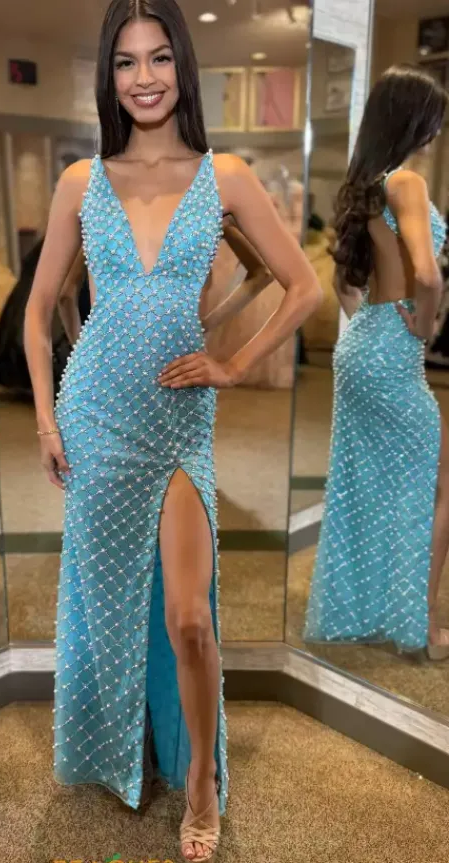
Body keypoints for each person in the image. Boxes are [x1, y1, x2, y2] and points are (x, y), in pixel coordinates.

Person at [24, 2, 321, 859]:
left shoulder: (225, 175)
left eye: (159, 58)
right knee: (111, 601)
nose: (144, 78)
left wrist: (231, 359)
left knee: (190, 615)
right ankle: (129, 748)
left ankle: (200, 782)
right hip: (95, 414)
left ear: (183, 66)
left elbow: (300, 284)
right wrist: (44, 416)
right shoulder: (81, 181)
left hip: (179, 424)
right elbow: (39, 312)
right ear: (108, 76)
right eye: (126, 62)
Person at [304, 65, 449, 661]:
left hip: (362, 344)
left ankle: (370, 609)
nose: (438, 129)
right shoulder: (407, 183)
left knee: (365, 483)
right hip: (391, 349)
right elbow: (428, 275)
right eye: (435, 118)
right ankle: (427, 627)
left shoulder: (366, 187)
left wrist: (380, 321)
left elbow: (346, 283)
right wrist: (425, 324)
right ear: (414, 120)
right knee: (439, 485)